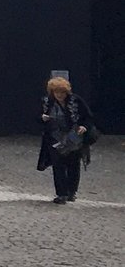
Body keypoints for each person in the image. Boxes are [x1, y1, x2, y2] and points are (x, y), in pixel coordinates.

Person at [39, 73, 97, 202]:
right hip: (54, 137)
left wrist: (84, 126)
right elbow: (36, 117)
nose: (60, 95)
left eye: (62, 92)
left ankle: (72, 191)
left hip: (73, 137)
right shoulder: (46, 102)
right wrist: (42, 118)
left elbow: (88, 117)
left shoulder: (76, 101)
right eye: (57, 92)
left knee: (73, 164)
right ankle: (61, 193)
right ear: (52, 92)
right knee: (58, 165)